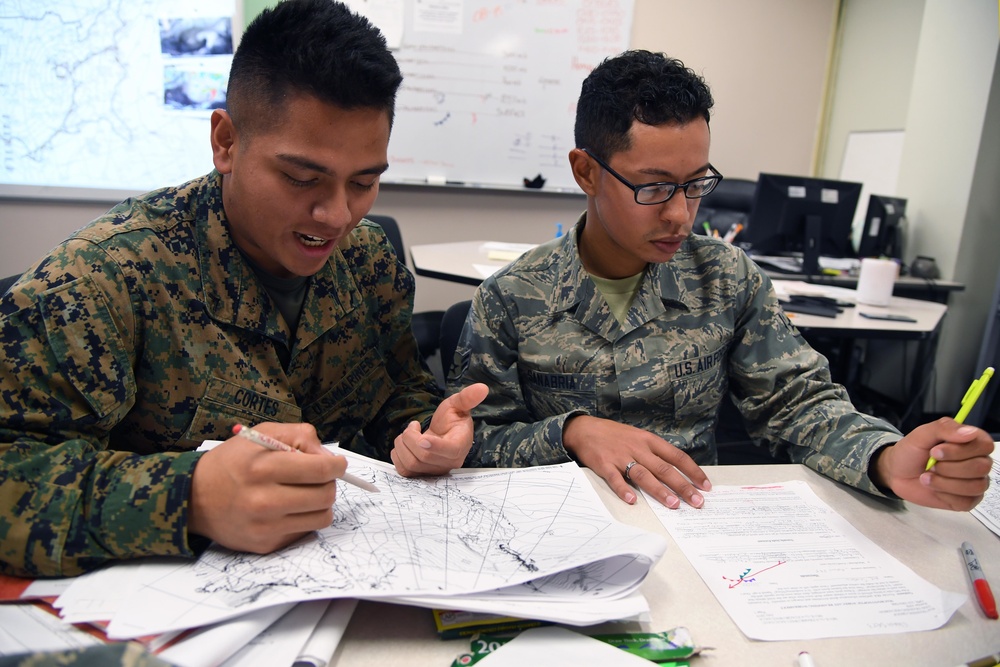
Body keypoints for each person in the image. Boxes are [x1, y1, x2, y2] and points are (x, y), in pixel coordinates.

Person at [0, 0, 487, 578]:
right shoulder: (97, 284)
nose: (336, 215)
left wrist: (423, 434)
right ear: (226, 142)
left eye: (363, 182)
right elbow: (14, 472)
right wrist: (191, 498)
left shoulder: (368, 262)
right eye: (302, 178)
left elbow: (393, 394)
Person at [448, 50, 992, 513]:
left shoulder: (726, 279)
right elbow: (469, 444)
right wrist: (571, 432)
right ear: (587, 171)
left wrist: (885, 459)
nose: (682, 215)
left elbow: (797, 402)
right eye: (655, 188)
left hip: (691, 525)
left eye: (696, 184)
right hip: (555, 525)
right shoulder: (511, 297)